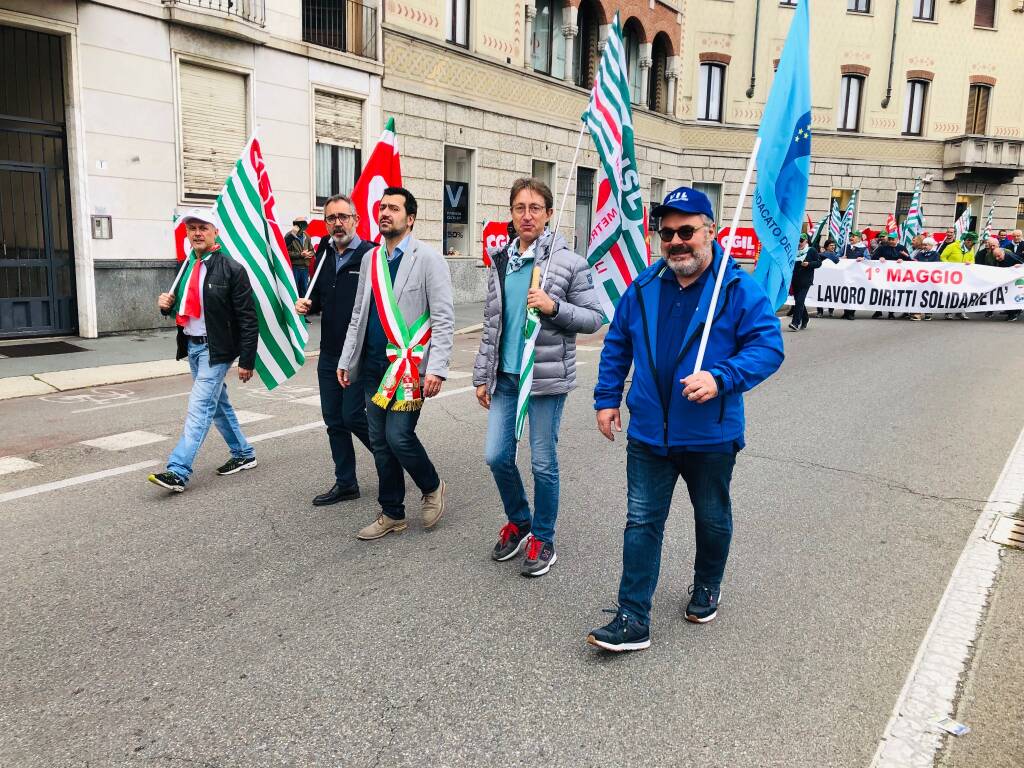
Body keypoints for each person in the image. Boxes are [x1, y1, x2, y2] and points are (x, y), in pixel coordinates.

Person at [586, 186, 785, 652]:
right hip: (650, 433)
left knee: (711, 516)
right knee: (641, 521)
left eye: (687, 231)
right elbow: (618, 344)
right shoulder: (644, 286)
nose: (675, 241)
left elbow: (768, 347)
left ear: (710, 232)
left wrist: (722, 377)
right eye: (667, 233)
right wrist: (606, 397)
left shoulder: (735, 288)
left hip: (710, 434)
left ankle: (708, 584)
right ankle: (633, 616)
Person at [473, 178, 603, 577]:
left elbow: (594, 317)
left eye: (535, 208)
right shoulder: (500, 261)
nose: (526, 215)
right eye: (519, 208)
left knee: (543, 463)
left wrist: (553, 306)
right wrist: (482, 375)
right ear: (510, 215)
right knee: (497, 456)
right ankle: (521, 519)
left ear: (548, 214)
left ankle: (543, 538)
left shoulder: (567, 263)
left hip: (545, 379)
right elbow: (493, 323)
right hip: (506, 378)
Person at [337, 187, 455, 540]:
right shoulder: (371, 259)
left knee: (399, 437)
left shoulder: (429, 259)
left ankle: (432, 485)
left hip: (407, 369)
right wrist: (347, 359)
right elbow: (359, 313)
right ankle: (392, 513)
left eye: (394, 208)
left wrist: (436, 368)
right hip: (373, 367)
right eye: (382, 207)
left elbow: (444, 318)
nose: (385, 212)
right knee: (379, 442)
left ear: (411, 218)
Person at [149, 208, 258, 493]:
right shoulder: (186, 266)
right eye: (192, 228)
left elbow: (248, 318)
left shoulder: (232, 269)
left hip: (217, 350)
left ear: (215, 232)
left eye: (203, 228)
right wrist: (166, 305)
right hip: (193, 347)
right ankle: (243, 453)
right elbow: (186, 306)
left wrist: (246, 359)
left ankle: (178, 470)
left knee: (199, 407)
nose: (197, 233)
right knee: (218, 404)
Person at [295, 195, 375, 507]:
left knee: (353, 415)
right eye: (331, 218)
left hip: (357, 352)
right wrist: (308, 304)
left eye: (343, 216)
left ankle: (393, 457)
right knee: (334, 420)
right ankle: (346, 483)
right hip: (329, 351)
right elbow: (318, 295)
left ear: (355, 219)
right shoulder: (325, 253)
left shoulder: (370, 255)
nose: (337, 223)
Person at [940, 231, 978, 320]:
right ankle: (948, 312)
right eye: (973, 242)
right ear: (968, 241)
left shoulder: (971, 249)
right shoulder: (952, 246)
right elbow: (942, 257)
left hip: (964, 275)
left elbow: (972, 260)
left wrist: (970, 263)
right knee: (951, 293)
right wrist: (949, 265)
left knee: (963, 293)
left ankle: (960, 312)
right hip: (951, 274)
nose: (974, 244)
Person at [789, 233, 821, 330]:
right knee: (799, 301)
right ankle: (806, 318)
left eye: (801, 240)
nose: (799, 243)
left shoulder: (811, 250)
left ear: (806, 241)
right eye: (798, 240)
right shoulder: (794, 250)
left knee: (799, 301)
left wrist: (809, 264)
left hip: (806, 280)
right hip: (795, 280)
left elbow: (819, 263)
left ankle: (795, 323)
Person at [909, 236, 940, 320]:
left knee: (929, 295)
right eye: (924, 245)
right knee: (918, 295)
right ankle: (917, 313)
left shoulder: (935, 254)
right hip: (920, 279)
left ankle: (928, 313)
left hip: (930, 279)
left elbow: (936, 265)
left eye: (926, 245)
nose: (924, 246)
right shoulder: (920, 254)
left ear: (931, 245)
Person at [841, 231, 868, 320]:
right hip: (846, 273)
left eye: (854, 236)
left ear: (859, 238)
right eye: (850, 236)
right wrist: (841, 258)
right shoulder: (846, 247)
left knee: (854, 293)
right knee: (845, 292)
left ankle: (851, 312)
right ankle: (845, 312)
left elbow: (869, 258)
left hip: (857, 274)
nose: (851, 238)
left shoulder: (864, 248)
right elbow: (838, 255)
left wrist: (863, 258)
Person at [285, 218, 314, 299]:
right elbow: (285, 252)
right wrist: (300, 255)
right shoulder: (289, 236)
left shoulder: (306, 236)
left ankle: (303, 310)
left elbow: (311, 250)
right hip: (295, 268)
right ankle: (293, 309)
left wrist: (310, 254)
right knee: (294, 290)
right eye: (303, 224)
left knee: (304, 290)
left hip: (305, 268)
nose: (304, 227)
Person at [815, 240, 839, 317]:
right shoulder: (821, 255)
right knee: (820, 294)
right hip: (822, 278)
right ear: (826, 246)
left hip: (833, 278)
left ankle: (831, 310)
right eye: (831, 245)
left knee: (831, 293)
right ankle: (820, 311)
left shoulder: (837, 255)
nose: (833, 247)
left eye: (834, 245)